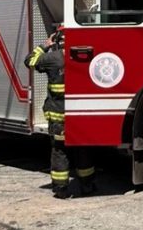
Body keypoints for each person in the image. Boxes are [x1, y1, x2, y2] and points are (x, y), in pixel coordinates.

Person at [24, 28, 96, 199]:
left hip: (58, 116)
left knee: (60, 151)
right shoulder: (84, 57)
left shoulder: (52, 59)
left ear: (58, 41)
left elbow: (30, 61)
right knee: (83, 149)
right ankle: (87, 185)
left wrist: (45, 45)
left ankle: (61, 189)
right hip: (79, 114)